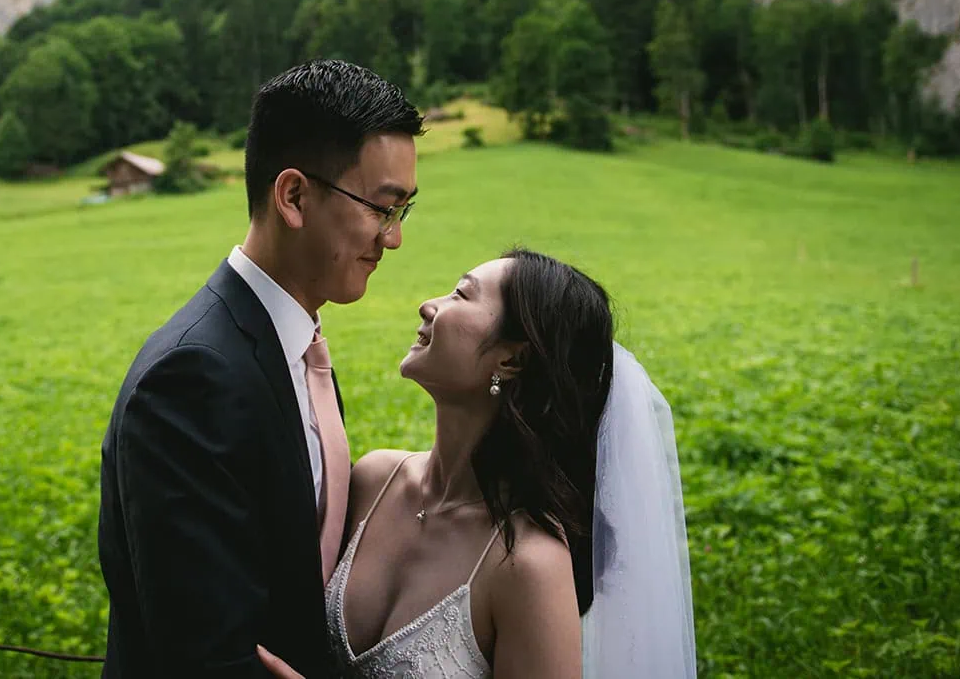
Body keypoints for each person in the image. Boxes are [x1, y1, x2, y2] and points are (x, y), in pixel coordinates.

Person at [97, 59, 424, 678]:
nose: (393, 238)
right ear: (294, 196)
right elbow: (206, 657)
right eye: (382, 208)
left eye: (403, 210)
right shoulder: (194, 378)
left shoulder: (293, 344)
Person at [256, 250, 697, 679]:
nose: (428, 306)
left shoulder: (529, 564)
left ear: (512, 359)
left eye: (461, 295)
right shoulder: (374, 480)